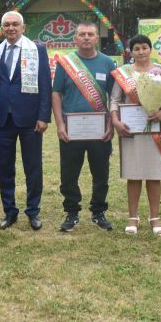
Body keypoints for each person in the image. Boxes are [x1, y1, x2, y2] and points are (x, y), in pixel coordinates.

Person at [0, 11, 51, 230]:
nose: (11, 28)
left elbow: (45, 84)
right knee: (5, 168)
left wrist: (44, 116)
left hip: (30, 119)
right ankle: (10, 211)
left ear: (23, 28)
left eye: (15, 24)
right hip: (2, 119)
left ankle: (33, 211)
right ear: (2, 29)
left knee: (33, 168)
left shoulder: (38, 50)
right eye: (7, 25)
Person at [52, 21, 116, 232]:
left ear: (97, 38)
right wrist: (60, 124)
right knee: (69, 175)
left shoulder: (107, 63)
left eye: (90, 34)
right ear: (75, 38)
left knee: (101, 174)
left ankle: (98, 212)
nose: (86, 37)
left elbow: (114, 97)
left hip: (100, 130)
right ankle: (71, 212)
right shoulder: (65, 63)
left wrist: (111, 124)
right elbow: (56, 93)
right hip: (71, 130)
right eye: (82, 34)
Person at [110, 35, 161, 236]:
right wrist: (115, 120)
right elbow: (114, 99)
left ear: (150, 49)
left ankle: (155, 217)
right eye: (136, 48)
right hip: (131, 129)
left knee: (155, 174)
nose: (141, 52)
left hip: (155, 129)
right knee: (134, 174)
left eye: (144, 47)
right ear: (131, 52)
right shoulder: (123, 73)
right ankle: (132, 217)